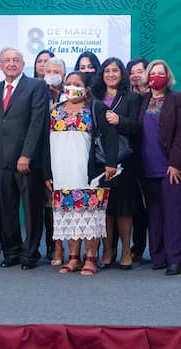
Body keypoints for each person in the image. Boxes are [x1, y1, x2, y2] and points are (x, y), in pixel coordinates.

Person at [45, 71, 117, 276]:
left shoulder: (95, 108)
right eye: (68, 83)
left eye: (77, 84)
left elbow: (111, 135)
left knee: (89, 216)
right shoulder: (54, 111)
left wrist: (111, 162)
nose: (71, 87)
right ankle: (74, 258)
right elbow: (45, 144)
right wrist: (47, 172)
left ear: (86, 89)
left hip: (87, 173)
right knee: (69, 217)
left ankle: (91, 257)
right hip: (61, 173)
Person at [0, 47, 48, 270]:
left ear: (23, 64)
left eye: (16, 60)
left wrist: (27, 154)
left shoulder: (36, 86)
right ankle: (11, 253)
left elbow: (37, 122)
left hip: (26, 160)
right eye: (7, 60)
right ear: (0, 65)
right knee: (7, 210)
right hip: (0, 159)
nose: (11, 63)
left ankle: (29, 255)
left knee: (32, 210)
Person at [138, 59, 181, 275]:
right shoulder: (143, 100)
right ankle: (157, 256)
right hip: (147, 167)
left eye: (161, 73)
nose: (156, 76)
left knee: (173, 214)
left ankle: (174, 259)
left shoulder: (178, 99)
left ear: (168, 77)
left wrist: (175, 164)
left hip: (171, 168)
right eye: (153, 72)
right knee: (154, 214)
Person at [92, 57, 142, 270]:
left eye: (115, 70)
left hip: (123, 161)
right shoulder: (94, 98)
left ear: (122, 74)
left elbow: (139, 128)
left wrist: (120, 121)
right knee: (104, 209)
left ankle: (126, 251)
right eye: (106, 71)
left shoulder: (131, 98)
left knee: (123, 208)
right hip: (98, 160)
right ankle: (107, 250)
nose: (110, 74)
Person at [42, 56, 66, 264]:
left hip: (70, 154)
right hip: (47, 156)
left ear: (64, 75)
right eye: (48, 71)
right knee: (50, 205)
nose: (51, 74)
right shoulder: (37, 93)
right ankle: (54, 246)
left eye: (56, 71)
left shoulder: (73, 94)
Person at [126, 57, 150, 261]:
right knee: (137, 207)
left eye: (139, 71)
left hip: (156, 156)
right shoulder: (127, 98)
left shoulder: (158, 97)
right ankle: (138, 246)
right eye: (132, 72)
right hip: (132, 158)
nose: (135, 75)